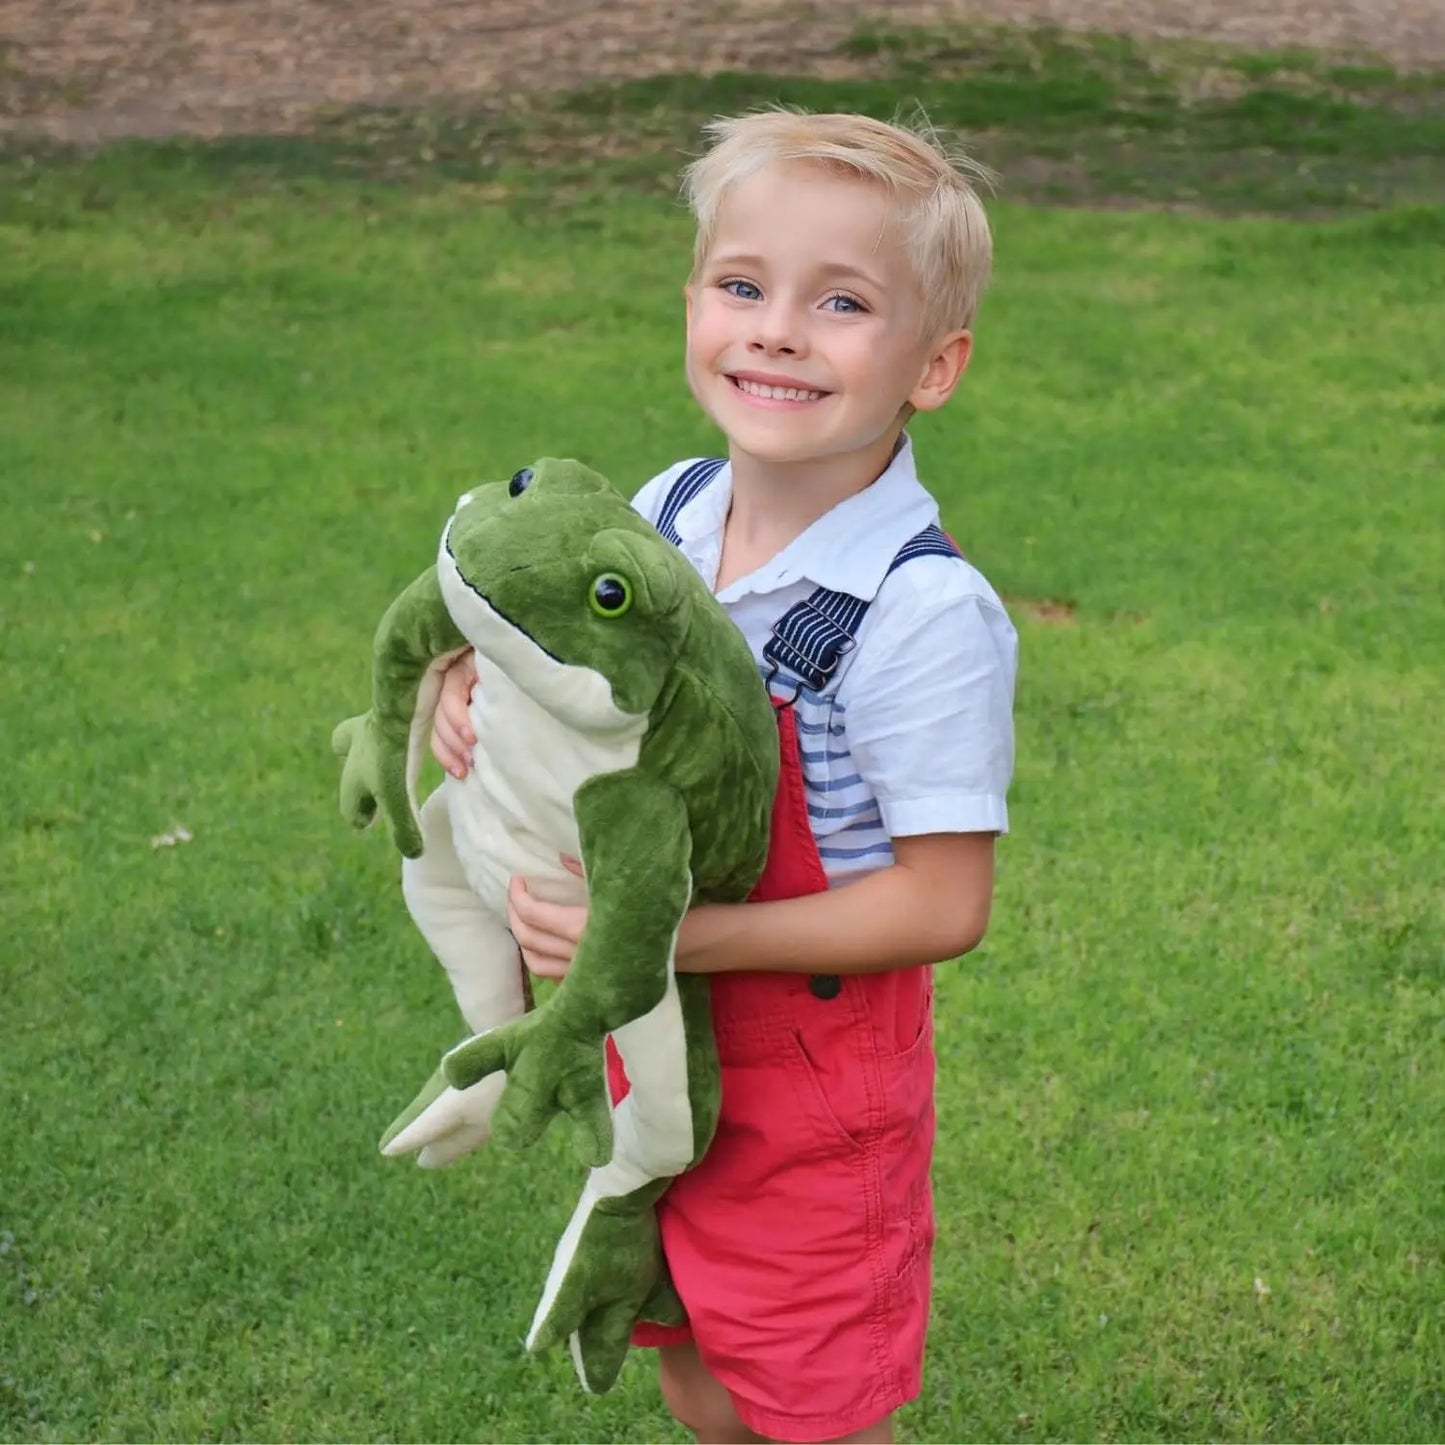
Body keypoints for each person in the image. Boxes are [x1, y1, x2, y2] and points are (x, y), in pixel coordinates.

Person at [431, 109, 1017, 1445]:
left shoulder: (918, 614)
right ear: (692, 301)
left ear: (933, 365)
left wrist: (684, 937)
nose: (776, 329)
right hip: (671, 1062)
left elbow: (941, 902)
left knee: (805, 1394)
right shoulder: (674, 507)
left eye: (842, 302)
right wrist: (480, 684)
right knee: (691, 1349)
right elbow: (586, 671)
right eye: (741, 285)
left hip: (810, 1078)